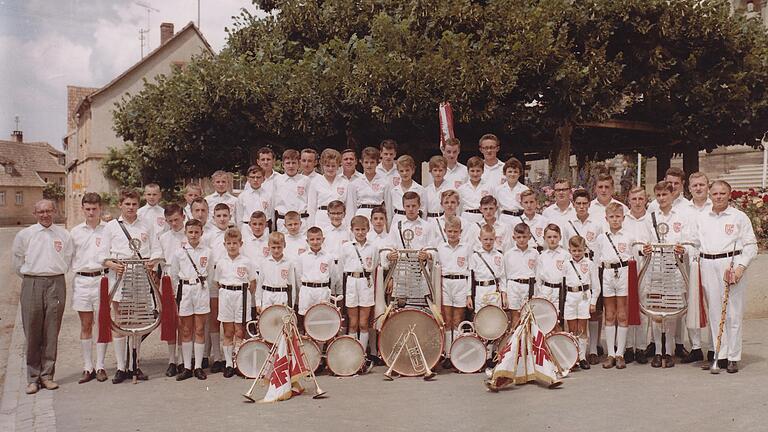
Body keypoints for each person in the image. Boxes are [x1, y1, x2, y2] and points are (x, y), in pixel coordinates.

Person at [690, 180, 757, 373]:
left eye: (722, 193)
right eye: (715, 194)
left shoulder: (739, 217)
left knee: (733, 313)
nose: (718, 197)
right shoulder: (702, 217)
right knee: (715, 313)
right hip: (708, 264)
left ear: (729, 195)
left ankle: (733, 357)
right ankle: (720, 354)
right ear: (710, 195)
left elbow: (751, 245)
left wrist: (740, 267)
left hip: (730, 265)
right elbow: (693, 242)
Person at [100, 189, 161, 383]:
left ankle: (135, 365)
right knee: (119, 321)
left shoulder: (146, 224)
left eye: (134, 204)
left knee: (137, 321)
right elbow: (101, 255)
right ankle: (121, 367)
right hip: (120, 276)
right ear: (120, 205)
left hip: (140, 275)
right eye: (127, 204)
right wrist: (112, 264)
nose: (131, 208)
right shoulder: (110, 227)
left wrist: (152, 262)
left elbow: (156, 250)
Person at [13, 200, 73, 394]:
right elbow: (18, 261)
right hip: (32, 282)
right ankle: (32, 377)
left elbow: (68, 258)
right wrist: (32, 277)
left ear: (54, 212)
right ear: (35, 213)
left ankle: (47, 376)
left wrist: (53, 273)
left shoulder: (63, 235)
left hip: (56, 283)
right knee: (32, 329)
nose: (45, 215)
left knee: (51, 329)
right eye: (41, 212)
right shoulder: (25, 235)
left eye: (48, 211)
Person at [643, 181, 690, 368]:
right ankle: (657, 352)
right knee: (655, 309)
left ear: (672, 195)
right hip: (655, 267)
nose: (662, 198)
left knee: (670, 310)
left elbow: (687, 241)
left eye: (665, 195)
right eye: (659, 195)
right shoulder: (650, 217)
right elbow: (644, 241)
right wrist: (645, 249)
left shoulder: (681, 216)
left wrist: (682, 248)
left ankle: (669, 352)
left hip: (674, 267)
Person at [70, 193, 110, 384]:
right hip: (82, 281)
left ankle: (101, 365)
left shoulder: (108, 230)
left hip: (102, 279)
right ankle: (88, 367)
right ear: (83, 209)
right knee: (86, 325)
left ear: (100, 208)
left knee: (102, 324)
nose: (92, 212)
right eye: (88, 209)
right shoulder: (75, 232)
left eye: (95, 209)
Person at [595, 202, 637, 369]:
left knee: (622, 314)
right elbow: (597, 261)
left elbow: (634, 259)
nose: (615, 220)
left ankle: (620, 353)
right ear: (606, 218)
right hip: (607, 274)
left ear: (623, 218)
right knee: (610, 314)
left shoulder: (629, 237)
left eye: (618, 216)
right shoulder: (601, 237)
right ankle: (610, 353)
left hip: (623, 273)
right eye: (611, 217)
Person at [170, 219, 212, 381]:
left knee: (200, 329)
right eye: (190, 232)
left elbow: (210, 272)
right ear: (186, 233)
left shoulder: (207, 252)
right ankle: (187, 366)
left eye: (196, 232)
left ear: (201, 233)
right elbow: (174, 275)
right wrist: (177, 295)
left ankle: (198, 366)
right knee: (186, 330)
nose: (193, 235)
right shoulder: (179, 253)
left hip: (201, 289)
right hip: (185, 290)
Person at [214, 228, 258, 378]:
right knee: (228, 331)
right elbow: (217, 283)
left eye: (235, 243)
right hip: (226, 295)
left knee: (239, 330)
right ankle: (228, 364)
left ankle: (238, 361)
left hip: (241, 295)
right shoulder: (220, 262)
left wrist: (243, 294)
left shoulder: (247, 262)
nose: (232, 246)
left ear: (241, 244)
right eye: (229, 243)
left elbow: (253, 283)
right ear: (224, 244)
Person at [434, 216, 472, 369]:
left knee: (458, 320)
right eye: (449, 231)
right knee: (447, 320)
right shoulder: (440, 247)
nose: (452, 234)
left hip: (461, 283)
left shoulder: (466, 247)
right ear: (445, 231)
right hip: (445, 283)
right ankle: (448, 354)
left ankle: (457, 354)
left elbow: (470, 271)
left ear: (460, 231)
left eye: (455, 231)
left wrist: (469, 294)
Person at [340, 216, 380, 358]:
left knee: (364, 323)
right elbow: (342, 267)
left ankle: (362, 354)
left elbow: (374, 265)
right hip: (351, 282)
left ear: (368, 229)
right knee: (353, 323)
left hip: (365, 283)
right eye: (357, 229)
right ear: (352, 230)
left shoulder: (373, 247)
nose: (360, 232)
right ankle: (352, 355)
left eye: (363, 229)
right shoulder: (346, 247)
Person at [622, 186, 652, 364]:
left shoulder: (652, 219)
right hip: (626, 269)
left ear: (645, 199)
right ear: (629, 200)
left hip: (646, 267)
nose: (638, 202)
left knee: (643, 307)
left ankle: (641, 347)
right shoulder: (623, 219)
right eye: (634, 199)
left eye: (641, 199)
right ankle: (627, 346)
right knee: (626, 306)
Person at [157, 204, 188, 376]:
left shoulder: (190, 234)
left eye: (176, 220)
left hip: (184, 277)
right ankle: (171, 360)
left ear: (183, 216)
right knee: (170, 320)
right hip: (168, 278)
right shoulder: (163, 237)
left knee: (183, 321)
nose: (174, 224)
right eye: (170, 221)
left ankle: (183, 359)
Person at [469, 224, 506, 367]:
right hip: (480, 290)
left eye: (491, 239)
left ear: (495, 239)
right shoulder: (475, 256)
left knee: (494, 322)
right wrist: (468, 295)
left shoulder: (499, 255)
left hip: (493, 290)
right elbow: (470, 277)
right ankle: (481, 354)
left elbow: (502, 276)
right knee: (481, 322)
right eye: (485, 239)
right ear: (480, 239)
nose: (488, 242)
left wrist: (504, 294)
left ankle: (491, 354)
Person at [563, 235, 600, 370]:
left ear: (584, 249)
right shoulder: (566, 264)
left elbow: (596, 286)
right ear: (569, 250)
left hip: (584, 297)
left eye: (579, 250)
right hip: (571, 297)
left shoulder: (590, 264)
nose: (577, 253)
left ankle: (583, 356)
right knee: (572, 329)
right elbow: (562, 283)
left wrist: (593, 302)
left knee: (582, 328)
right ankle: (574, 358)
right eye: (574, 251)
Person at [307, 148, 354, 230]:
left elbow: (349, 208)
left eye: (333, 166)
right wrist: (311, 227)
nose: (330, 169)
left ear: (338, 166)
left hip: (340, 221)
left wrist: (349, 227)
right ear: (322, 165)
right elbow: (311, 208)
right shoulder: (315, 182)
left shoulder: (345, 183)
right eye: (327, 166)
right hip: (321, 220)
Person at [504, 223, 539, 328]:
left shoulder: (535, 253)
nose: (522, 240)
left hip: (529, 286)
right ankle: (515, 342)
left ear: (529, 236)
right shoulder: (508, 254)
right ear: (514, 237)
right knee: (515, 316)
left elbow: (538, 273)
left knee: (529, 316)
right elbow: (505, 274)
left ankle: (527, 343)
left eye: (524, 237)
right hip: (513, 286)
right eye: (518, 237)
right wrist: (505, 294)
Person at [256, 231, 299, 314]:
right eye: (273, 247)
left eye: (279, 247)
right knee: (267, 323)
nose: (276, 250)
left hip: (282, 296)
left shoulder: (289, 263)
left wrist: (291, 305)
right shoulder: (264, 262)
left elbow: (292, 285)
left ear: (284, 245)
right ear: (268, 246)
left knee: (281, 323)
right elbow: (260, 284)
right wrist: (258, 302)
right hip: (267, 296)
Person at [536, 224, 568, 325]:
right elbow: (538, 278)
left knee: (558, 321)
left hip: (560, 291)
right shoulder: (542, 256)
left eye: (555, 237)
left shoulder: (566, 255)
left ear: (560, 237)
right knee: (546, 321)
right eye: (549, 237)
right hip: (546, 291)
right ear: (544, 238)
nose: (552, 240)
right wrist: (540, 294)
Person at [273, 149, 310, 234]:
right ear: (283, 165)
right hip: (283, 222)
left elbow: (310, 203)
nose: (291, 166)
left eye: (294, 163)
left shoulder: (305, 180)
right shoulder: (277, 180)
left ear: (299, 164)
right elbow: (273, 203)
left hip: (301, 222)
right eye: (288, 163)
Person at [385, 155, 427, 227]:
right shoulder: (393, 191)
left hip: (414, 222)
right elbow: (390, 213)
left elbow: (424, 211)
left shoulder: (420, 189)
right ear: (398, 172)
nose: (404, 173)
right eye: (401, 171)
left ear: (413, 170)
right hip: (397, 222)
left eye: (407, 170)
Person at [350, 147, 387, 219]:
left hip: (378, 217)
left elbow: (388, 207)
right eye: (366, 162)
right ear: (361, 162)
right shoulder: (355, 183)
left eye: (372, 162)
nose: (369, 165)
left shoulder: (384, 183)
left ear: (377, 163)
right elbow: (351, 208)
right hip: (361, 216)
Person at [237, 165, 272, 236]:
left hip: (264, 230)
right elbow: (239, 217)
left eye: (258, 177)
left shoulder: (268, 195)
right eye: (252, 177)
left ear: (263, 179)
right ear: (248, 179)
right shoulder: (242, 196)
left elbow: (271, 214)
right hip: (247, 230)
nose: (255, 180)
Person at [494, 158, 529, 227]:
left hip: (520, 219)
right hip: (504, 219)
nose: (512, 174)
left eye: (515, 172)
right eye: (510, 171)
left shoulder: (525, 189)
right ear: (505, 173)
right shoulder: (498, 189)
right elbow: (496, 209)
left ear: (520, 174)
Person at [458, 156, 493, 224]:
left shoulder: (489, 187)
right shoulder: (462, 188)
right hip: (466, 218)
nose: (475, 174)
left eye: (478, 171)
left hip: (482, 217)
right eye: (472, 171)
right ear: (468, 171)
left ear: (482, 171)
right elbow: (459, 208)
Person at [424, 155, 450, 220]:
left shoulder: (450, 188)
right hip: (429, 220)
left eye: (440, 170)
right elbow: (424, 209)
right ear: (430, 171)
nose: (438, 173)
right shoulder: (426, 190)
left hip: (444, 219)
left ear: (445, 171)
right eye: (435, 170)